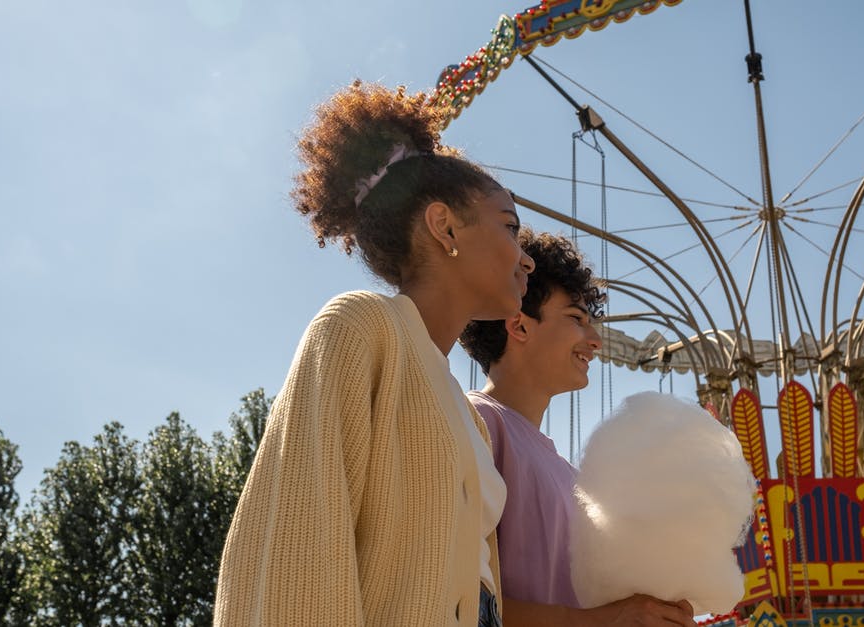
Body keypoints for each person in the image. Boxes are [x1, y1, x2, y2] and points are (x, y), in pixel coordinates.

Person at [214, 82, 534, 627]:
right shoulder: (359, 327)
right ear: (445, 225)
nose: (526, 259)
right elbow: (297, 541)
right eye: (510, 226)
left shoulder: (467, 414)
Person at [460, 230, 696, 627]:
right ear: (518, 325)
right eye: (576, 319)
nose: (595, 340)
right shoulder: (478, 423)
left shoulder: (568, 474)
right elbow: (458, 594)